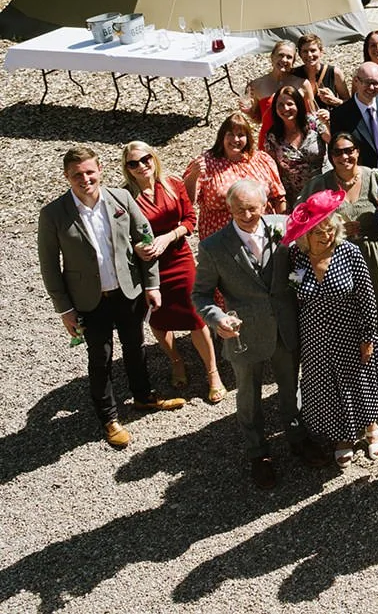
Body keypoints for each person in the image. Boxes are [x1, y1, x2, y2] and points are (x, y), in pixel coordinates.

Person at [39, 147, 180, 449]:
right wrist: (64, 310)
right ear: (67, 177)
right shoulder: (53, 214)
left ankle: (143, 397)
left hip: (128, 291)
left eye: (90, 172)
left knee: (135, 347)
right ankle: (109, 417)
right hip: (89, 300)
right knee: (100, 358)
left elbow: (145, 239)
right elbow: (49, 266)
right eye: (77, 174)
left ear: (100, 169)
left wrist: (152, 285)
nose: (85, 179)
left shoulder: (121, 199)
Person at [193, 180, 329, 486]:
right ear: (229, 208)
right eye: (239, 208)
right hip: (244, 333)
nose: (246, 214)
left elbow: (308, 257)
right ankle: (259, 453)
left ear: (265, 205)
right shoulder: (213, 247)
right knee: (249, 396)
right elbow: (200, 294)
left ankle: (297, 438)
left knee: (290, 386)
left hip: (284, 325)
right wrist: (217, 318)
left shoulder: (284, 227)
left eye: (253, 207)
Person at [285, 190, 378, 467]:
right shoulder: (297, 258)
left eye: (329, 230)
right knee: (329, 387)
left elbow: (368, 298)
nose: (325, 236)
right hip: (316, 339)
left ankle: (371, 428)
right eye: (318, 232)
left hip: (350, 333)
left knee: (359, 382)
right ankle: (343, 435)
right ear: (305, 235)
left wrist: (368, 337)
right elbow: (295, 294)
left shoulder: (349, 252)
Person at [122, 141, 223, 403]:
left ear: (153, 158)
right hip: (150, 266)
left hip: (179, 257)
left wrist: (168, 237)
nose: (141, 166)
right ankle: (176, 361)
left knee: (195, 315)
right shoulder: (124, 197)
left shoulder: (172, 184)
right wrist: (136, 248)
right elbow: (120, 237)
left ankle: (212, 372)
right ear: (127, 168)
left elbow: (190, 219)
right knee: (158, 318)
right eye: (133, 163)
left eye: (145, 159)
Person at [299, 132, 378, 351]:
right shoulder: (320, 184)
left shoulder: (376, 178)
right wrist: (335, 228)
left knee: (377, 300)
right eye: (337, 152)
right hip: (337, 257)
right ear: (331, 156)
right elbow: (301, 219)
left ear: (358, 151)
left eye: (349, 150)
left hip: (374, 253)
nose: (344, 157)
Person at [185, 113, 287, 239]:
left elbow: (279, 197)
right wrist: (194, 175)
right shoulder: (206, 163)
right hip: (222, 237)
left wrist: (281, 227)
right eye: (230, 134)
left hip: (262, 231)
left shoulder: (261, 160)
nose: (235, 140)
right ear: (222, 136)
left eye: (240, 135)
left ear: (248, 138)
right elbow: (187, 201)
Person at [329, 64, 378, 171]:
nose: (371, 88)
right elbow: (338, 151)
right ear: (356, 81)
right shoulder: (340, 115)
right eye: (367, 83)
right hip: (364, 174)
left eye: (375, 83)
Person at [262, 84, 329, 203]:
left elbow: (332, 141)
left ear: (298, 104)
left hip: (324, 187)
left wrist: (328, 122)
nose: (285, 109)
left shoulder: (313, 123)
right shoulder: (272, 137)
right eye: (280, 105)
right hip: (296, 197)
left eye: (290, 104)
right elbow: (273, 170)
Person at [243, 40, 315, 144]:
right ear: (272, 57)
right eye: (280, 55)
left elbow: (312, 116)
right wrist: (249, 113)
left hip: (297, 141)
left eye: (289, 57)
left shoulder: (302, 84)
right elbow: (259, 119)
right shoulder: (256, 85)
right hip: (269, 142)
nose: (284, 60)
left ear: (293, 62)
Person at [293, 33, 349, 110]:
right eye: (305, 51)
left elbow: (349, 103)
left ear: (321, 52)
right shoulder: (294, 74)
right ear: (300, 54)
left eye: (313, 50)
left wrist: (335, 101)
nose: (309, 55)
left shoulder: (334, 73)